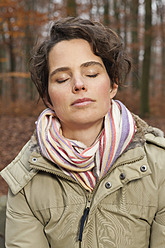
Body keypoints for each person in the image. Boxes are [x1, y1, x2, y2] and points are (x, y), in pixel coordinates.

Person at [1, 17, 165, 248]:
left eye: (91, 74)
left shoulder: (159, 165)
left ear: (113, 84)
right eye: (62, 78)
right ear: (48, 97)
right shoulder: (25, 176)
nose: (78, 84)